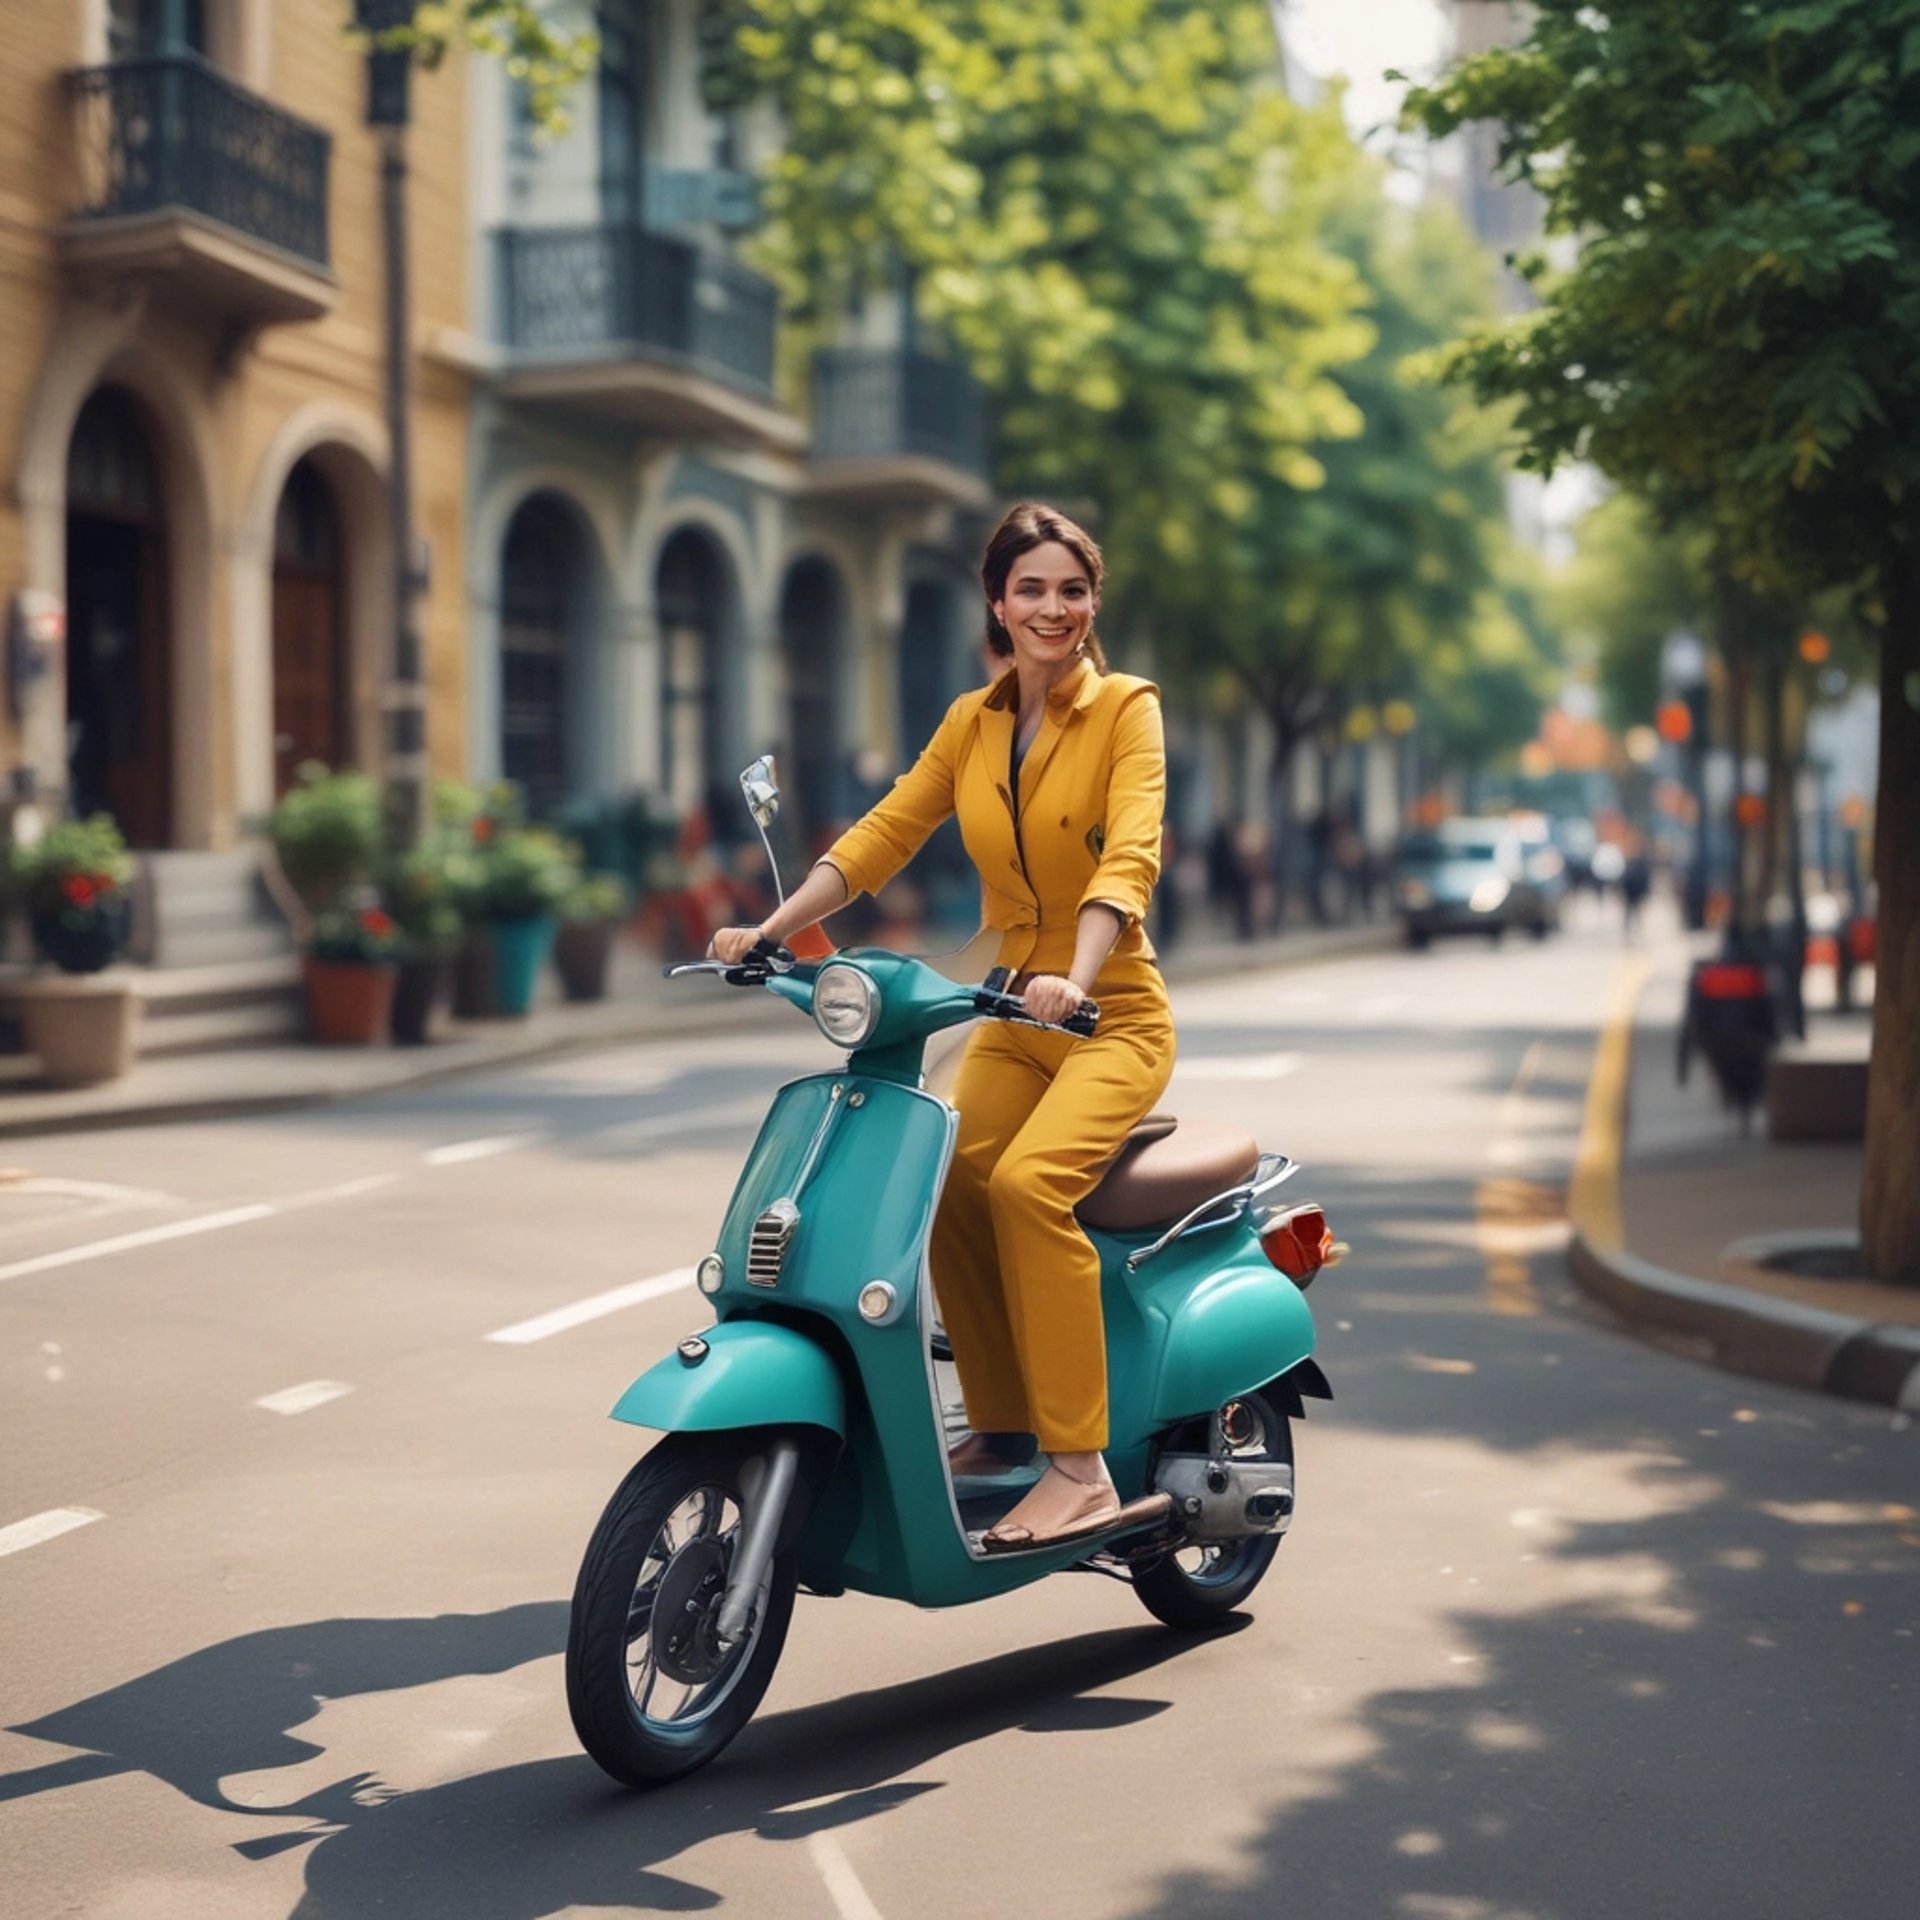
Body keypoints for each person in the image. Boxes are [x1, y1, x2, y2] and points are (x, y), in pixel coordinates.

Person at [711, 502, 1175, 1551]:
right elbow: (886, 833)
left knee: (1024, 1185)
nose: (1051, 608)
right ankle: (1002, 1425)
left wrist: (1079, 974)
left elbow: (1129, 855)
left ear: (1091, 602)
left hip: (1110, 1016)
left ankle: (1079, 1467)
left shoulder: (1126, 710)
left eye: (1070, 590)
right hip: (1010, 1011)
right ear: (997, 604)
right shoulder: (973, 722)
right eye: (1030, 590)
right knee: (949, 1176)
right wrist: (770, 928)